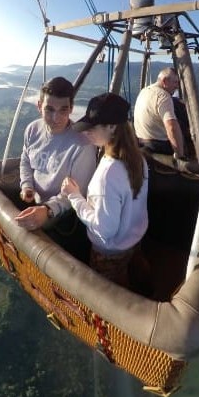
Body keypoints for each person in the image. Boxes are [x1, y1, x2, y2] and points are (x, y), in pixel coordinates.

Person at [60, 92, 148, 287]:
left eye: (92, 127)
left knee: (112, 291)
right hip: (134, 240)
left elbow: (104, 230)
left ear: (112, 127)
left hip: (110, 252)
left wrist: (74, 196)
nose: (86, 132)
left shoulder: (108, 174)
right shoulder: (138, 158)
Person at [13, 77, 97, 232]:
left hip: (63, 214)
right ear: (39, 106)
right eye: (49, 109)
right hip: (36, 201)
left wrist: (48, 210)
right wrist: (27, 185)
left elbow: (79, 193)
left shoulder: (82, 145)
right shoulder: (33, 130)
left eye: (63, 110)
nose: (56, 118)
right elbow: (25, 160)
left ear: (71, 108)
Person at [134, 67, 188, 158]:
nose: (177, 86)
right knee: (181, 127)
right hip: (158, 145)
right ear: (165, 81)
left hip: (141, 141)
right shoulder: (163, 96)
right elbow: (172, 127)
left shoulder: (144, 90)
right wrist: (180, 155)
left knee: (175, 102)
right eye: (175, 82)